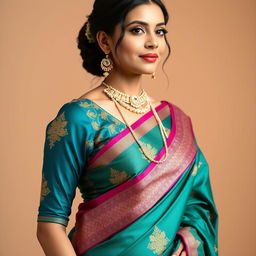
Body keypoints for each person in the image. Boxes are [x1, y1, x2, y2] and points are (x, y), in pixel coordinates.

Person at [36, 0, 218, 255]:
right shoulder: (79, 119)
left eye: (160, 31)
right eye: (137, 30)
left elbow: (198, 207)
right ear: (105, 41)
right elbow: (49, 225)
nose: (153, 42)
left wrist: (188, 242)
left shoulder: (177, 120)